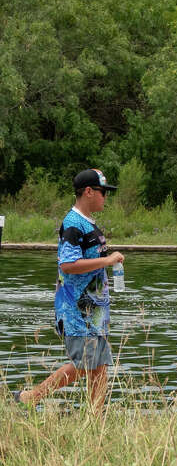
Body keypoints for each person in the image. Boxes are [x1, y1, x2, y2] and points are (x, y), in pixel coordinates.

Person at [12, 169, 123, 413]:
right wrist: (107, 261)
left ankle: (96, 419)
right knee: (85, 364)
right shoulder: (73, 224)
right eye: (103, 192)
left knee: (99, 364)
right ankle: (32, 397)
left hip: (93, 310)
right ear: (88, 192)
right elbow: (68, 265)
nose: (106, 198)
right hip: (77, 310)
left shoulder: (88, 224)